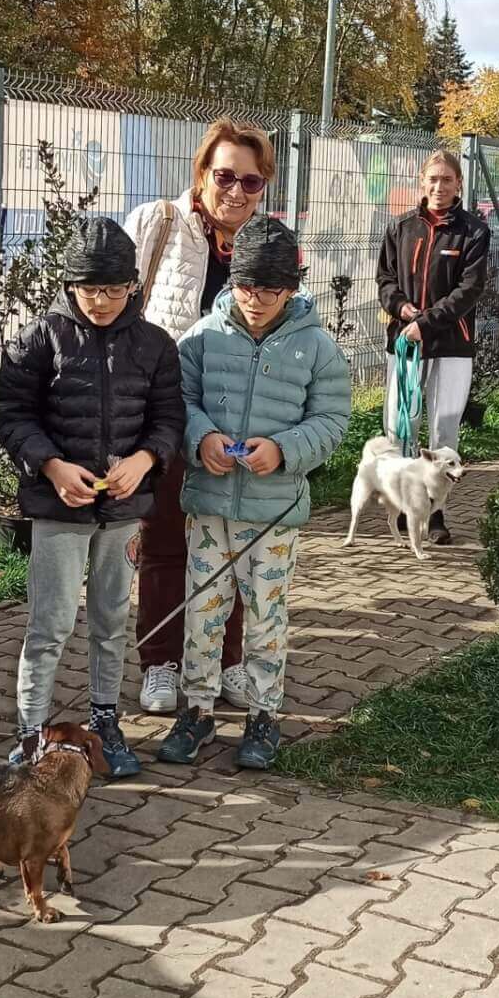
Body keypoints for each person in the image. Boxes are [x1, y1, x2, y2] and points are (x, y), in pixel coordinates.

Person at [0, 218, 185, 779]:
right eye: (87, 289)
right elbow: (13, 415)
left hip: (123, 512)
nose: (100, 302)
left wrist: (145, 460)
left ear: (133, 287)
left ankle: (105, 722)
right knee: (49, 624)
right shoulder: (39, 338)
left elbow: (169, 417)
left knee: (110, 620)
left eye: (113, 289)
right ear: (69, 285)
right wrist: (51, 466)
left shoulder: (154, 345)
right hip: (59, 511)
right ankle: (30, 735)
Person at [158, 216, 351, 771]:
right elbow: (178, 403)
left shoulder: (316, 347)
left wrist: (286, 449)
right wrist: (202, 439)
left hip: (275, 512)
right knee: (203, 612)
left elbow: (333, 417)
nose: (257, 300)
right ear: (231, 281)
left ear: (293, 287)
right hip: (209, 505)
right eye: (246, 287)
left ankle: (263, 716)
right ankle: (194, 712)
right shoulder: (201, 338)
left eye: (272, 290)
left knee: (268, 616)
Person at [124, 119, 277, 715]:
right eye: (224, 176)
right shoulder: (157, 223)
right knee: (165, 542)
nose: (236, 192)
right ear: (202, 174)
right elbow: (112, 304)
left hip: (238, 419)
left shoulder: (267, 243)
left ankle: (227, 660)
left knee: (234, 543)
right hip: (164, 415)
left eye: (251, 180)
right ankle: (160, 661)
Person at [374, 149, 491, 541]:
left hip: (451, 344)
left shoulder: (473, 232)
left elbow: (469, 289)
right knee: (400, 425)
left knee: (443, 427)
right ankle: (408, 504)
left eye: (447, 180)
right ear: (421, 182)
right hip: (405, 343)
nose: (439, 186)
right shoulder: (400, 227)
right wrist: (400, 307)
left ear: (458, 184)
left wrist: (427, 322)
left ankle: (436, 513)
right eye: (432, 179)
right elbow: (385, 279)